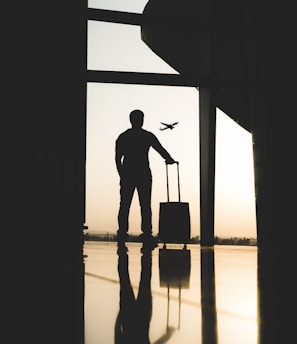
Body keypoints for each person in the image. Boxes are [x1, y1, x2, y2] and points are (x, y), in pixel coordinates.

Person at [115, 109, 175, 244]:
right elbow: (160, 149)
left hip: (129, 174)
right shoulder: (147, 136)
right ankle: (147, 233)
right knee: (145, 205)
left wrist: (122, 175)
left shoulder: (123, 137)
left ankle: (122, 232)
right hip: (143, 174)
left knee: (125, 205)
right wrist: (169, 159)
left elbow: (118, 159)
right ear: (141, 120)